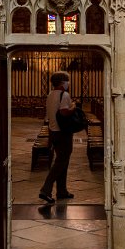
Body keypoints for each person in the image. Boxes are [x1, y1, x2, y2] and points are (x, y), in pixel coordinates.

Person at [39, 71, 76, 204]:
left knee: (63, 162)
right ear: (62, 82)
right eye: (67, 81)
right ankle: (45, 190)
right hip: (63, 133)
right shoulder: (64, 94)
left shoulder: (50, 95)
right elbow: (64, 112)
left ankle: (62, 190)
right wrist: (73, 107)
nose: (68, 84)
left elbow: (49, 116)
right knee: (60, 163)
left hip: (54, 131)